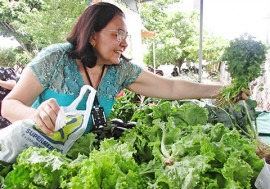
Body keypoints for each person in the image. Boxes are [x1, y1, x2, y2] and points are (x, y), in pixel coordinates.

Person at [1, 2, 249, 135]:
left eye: (126, 35)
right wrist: (36, 116)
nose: (124, 42)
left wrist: (223, 91)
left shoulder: (119, 71)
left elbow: (172, 86)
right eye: (118, 33)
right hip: (39, 150)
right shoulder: (56, 58)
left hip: (82, 154)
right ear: (92, 34)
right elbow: (9, 105)